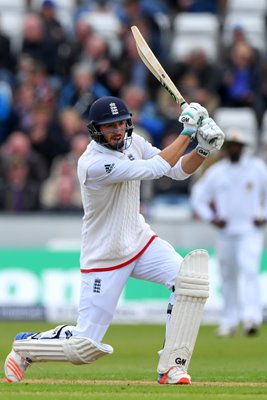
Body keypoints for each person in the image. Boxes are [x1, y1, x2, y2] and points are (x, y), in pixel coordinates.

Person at [4, 96, 224, 384]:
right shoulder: (93, 164)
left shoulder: (135, 143)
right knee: (83, 346)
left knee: (188, 281)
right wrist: (187, 132)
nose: (118, 130)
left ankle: (173, 367)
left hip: (140, 240)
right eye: (110, 127)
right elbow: (154, 169)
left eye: (121, 123)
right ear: (95, 130)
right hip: (105, 255)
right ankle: (26, 347)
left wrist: (203, 150)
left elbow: (177, 170)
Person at [191, 128, 267, 337]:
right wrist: (211, 218)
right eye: (230, 146)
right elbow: (198, 197)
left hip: (250, 230)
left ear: (242, 149)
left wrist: (264, 214)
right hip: (226, 232)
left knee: (250, 270)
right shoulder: (217, 172)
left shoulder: (257, 168)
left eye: (237, 146)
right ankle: (229, 321)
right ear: (225, 149)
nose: (233, 150)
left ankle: (252, 318)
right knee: (228, 276)